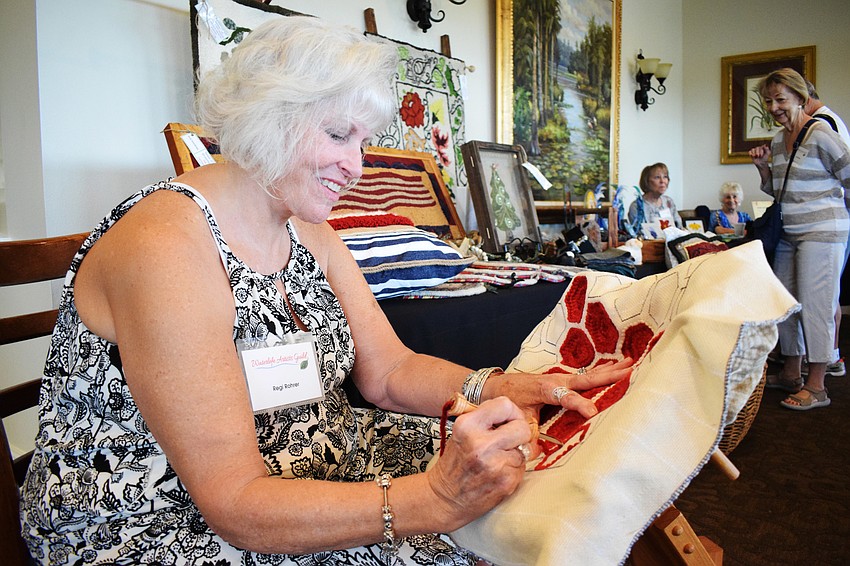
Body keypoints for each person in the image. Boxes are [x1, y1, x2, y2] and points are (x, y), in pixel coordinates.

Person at [19, 17, 632, 564]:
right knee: (468, 534)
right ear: (269, 118)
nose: (357, 165)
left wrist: (496, 385)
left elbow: (388, 371)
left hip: (310, 457)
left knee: (532, 467)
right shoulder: (167, 245)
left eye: (362, 141)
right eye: (339, 135)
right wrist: (435, 501)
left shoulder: (306, 226)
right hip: (155, 517)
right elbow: (233, 503)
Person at [748, 68, 850, 411]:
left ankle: (817, 385)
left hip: (823, 232)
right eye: (768, 100)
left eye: (781, 99)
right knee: (786, 302)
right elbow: (778, 190)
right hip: (789, 232)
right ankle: (791, 372)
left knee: (817, 305)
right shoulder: (778, 141)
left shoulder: (821, 132)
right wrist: (763, 169)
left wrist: (838, 212)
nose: (774, 106)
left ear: (800, 98)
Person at [802, 80, 850, 378]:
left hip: (825, 224)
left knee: (821, 296)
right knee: (828, 294)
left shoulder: (820, 126)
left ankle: (828, 360)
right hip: (834, 221)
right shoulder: (832, 121)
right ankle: (830, 355)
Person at [628, 162, 683, 231]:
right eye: (657, 177)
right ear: (646, 181)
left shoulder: (669, 201)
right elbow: (638, 232)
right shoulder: (637, 206)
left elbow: (679, 226)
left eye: (665, 177)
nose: (662, 181)